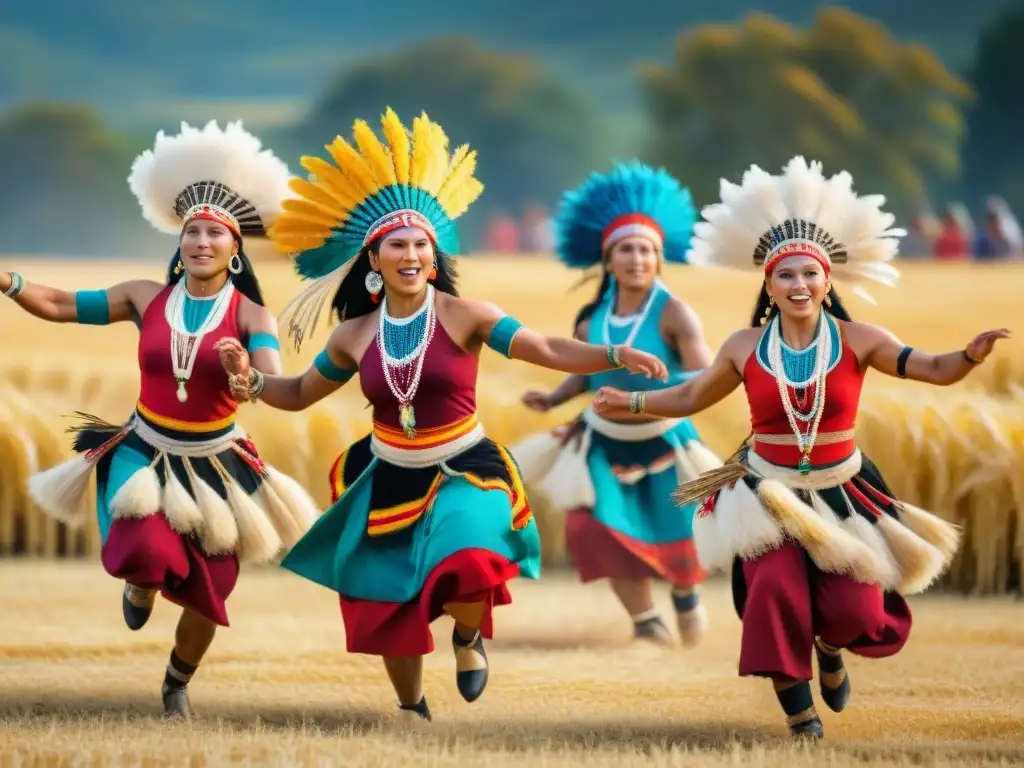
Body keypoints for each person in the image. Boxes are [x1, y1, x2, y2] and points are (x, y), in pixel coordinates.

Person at [213, 108, 668, 724]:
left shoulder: (466, 315)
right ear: (374, 260)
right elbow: (297, 393)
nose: (410, 253)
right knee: (386, 607)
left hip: (463, 465)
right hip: (387, 474)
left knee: (472, 553)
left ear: (434, 255)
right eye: (396, 244)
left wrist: (613, 353)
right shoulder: (353, 334)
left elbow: (548, 349)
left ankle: (468, 635)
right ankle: (411, 707)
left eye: (420, 244)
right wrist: (251, 380)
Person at [591, 156, 1010, 740]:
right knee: (774, 593)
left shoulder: (861, 339)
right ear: (769, 284)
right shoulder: (744, 346)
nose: (798, 286)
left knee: (854, 611)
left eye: (809, 275)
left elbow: (934, 369)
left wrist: (968, 357)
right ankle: (799, 715)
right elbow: (690, 397)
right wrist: (632, 403)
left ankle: (830, 647)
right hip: (765, 493)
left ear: (827, 280)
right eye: (785, 276)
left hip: (844, 492)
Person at [4, 120, 320, 717]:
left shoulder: (253, 315)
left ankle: (177, 681)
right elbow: (58, 304)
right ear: (180, 242)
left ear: (235, 248)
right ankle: (140, 580)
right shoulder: (144, 297)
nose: (201, 241)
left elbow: (269, 380)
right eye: (191, 231)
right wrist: (8, 280)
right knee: (144, 547)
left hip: (218, 463)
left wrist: (242, 376)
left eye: (214, 233)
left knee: (212, 593)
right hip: (143, 448)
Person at [512, 161, 723, 647]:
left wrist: (642, 399)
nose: (635, 259)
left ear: (659, 257)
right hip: (603, 445)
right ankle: (647, 622)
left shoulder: (674, 311)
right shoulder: (592, 318)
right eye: (625, 250)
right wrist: (555, 396)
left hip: (664, 440)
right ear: (608, 260)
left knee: (679, 528)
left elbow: (707, 376)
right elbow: (587, 372)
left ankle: (686, 596)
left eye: (645, 250)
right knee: (592, 529)